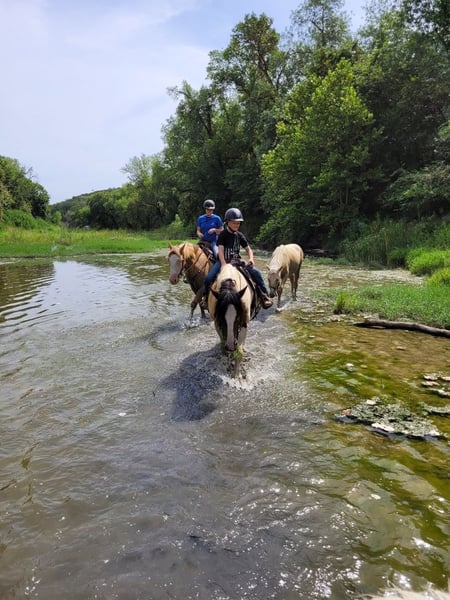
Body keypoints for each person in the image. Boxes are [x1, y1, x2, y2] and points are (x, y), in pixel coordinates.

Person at [201, 207, 273, 309]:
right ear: (228, 222)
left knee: (256, 273)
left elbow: (248, 249)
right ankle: (205, 298)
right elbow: (220, 250)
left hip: (237, 261)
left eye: (238, 223)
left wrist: (251, 259)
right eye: (234, 223)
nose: (236, 225)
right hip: (223, 260)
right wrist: (223, 264)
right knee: (208, 278)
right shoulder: (223, 234)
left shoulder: (240, 235)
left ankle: (264, 296)